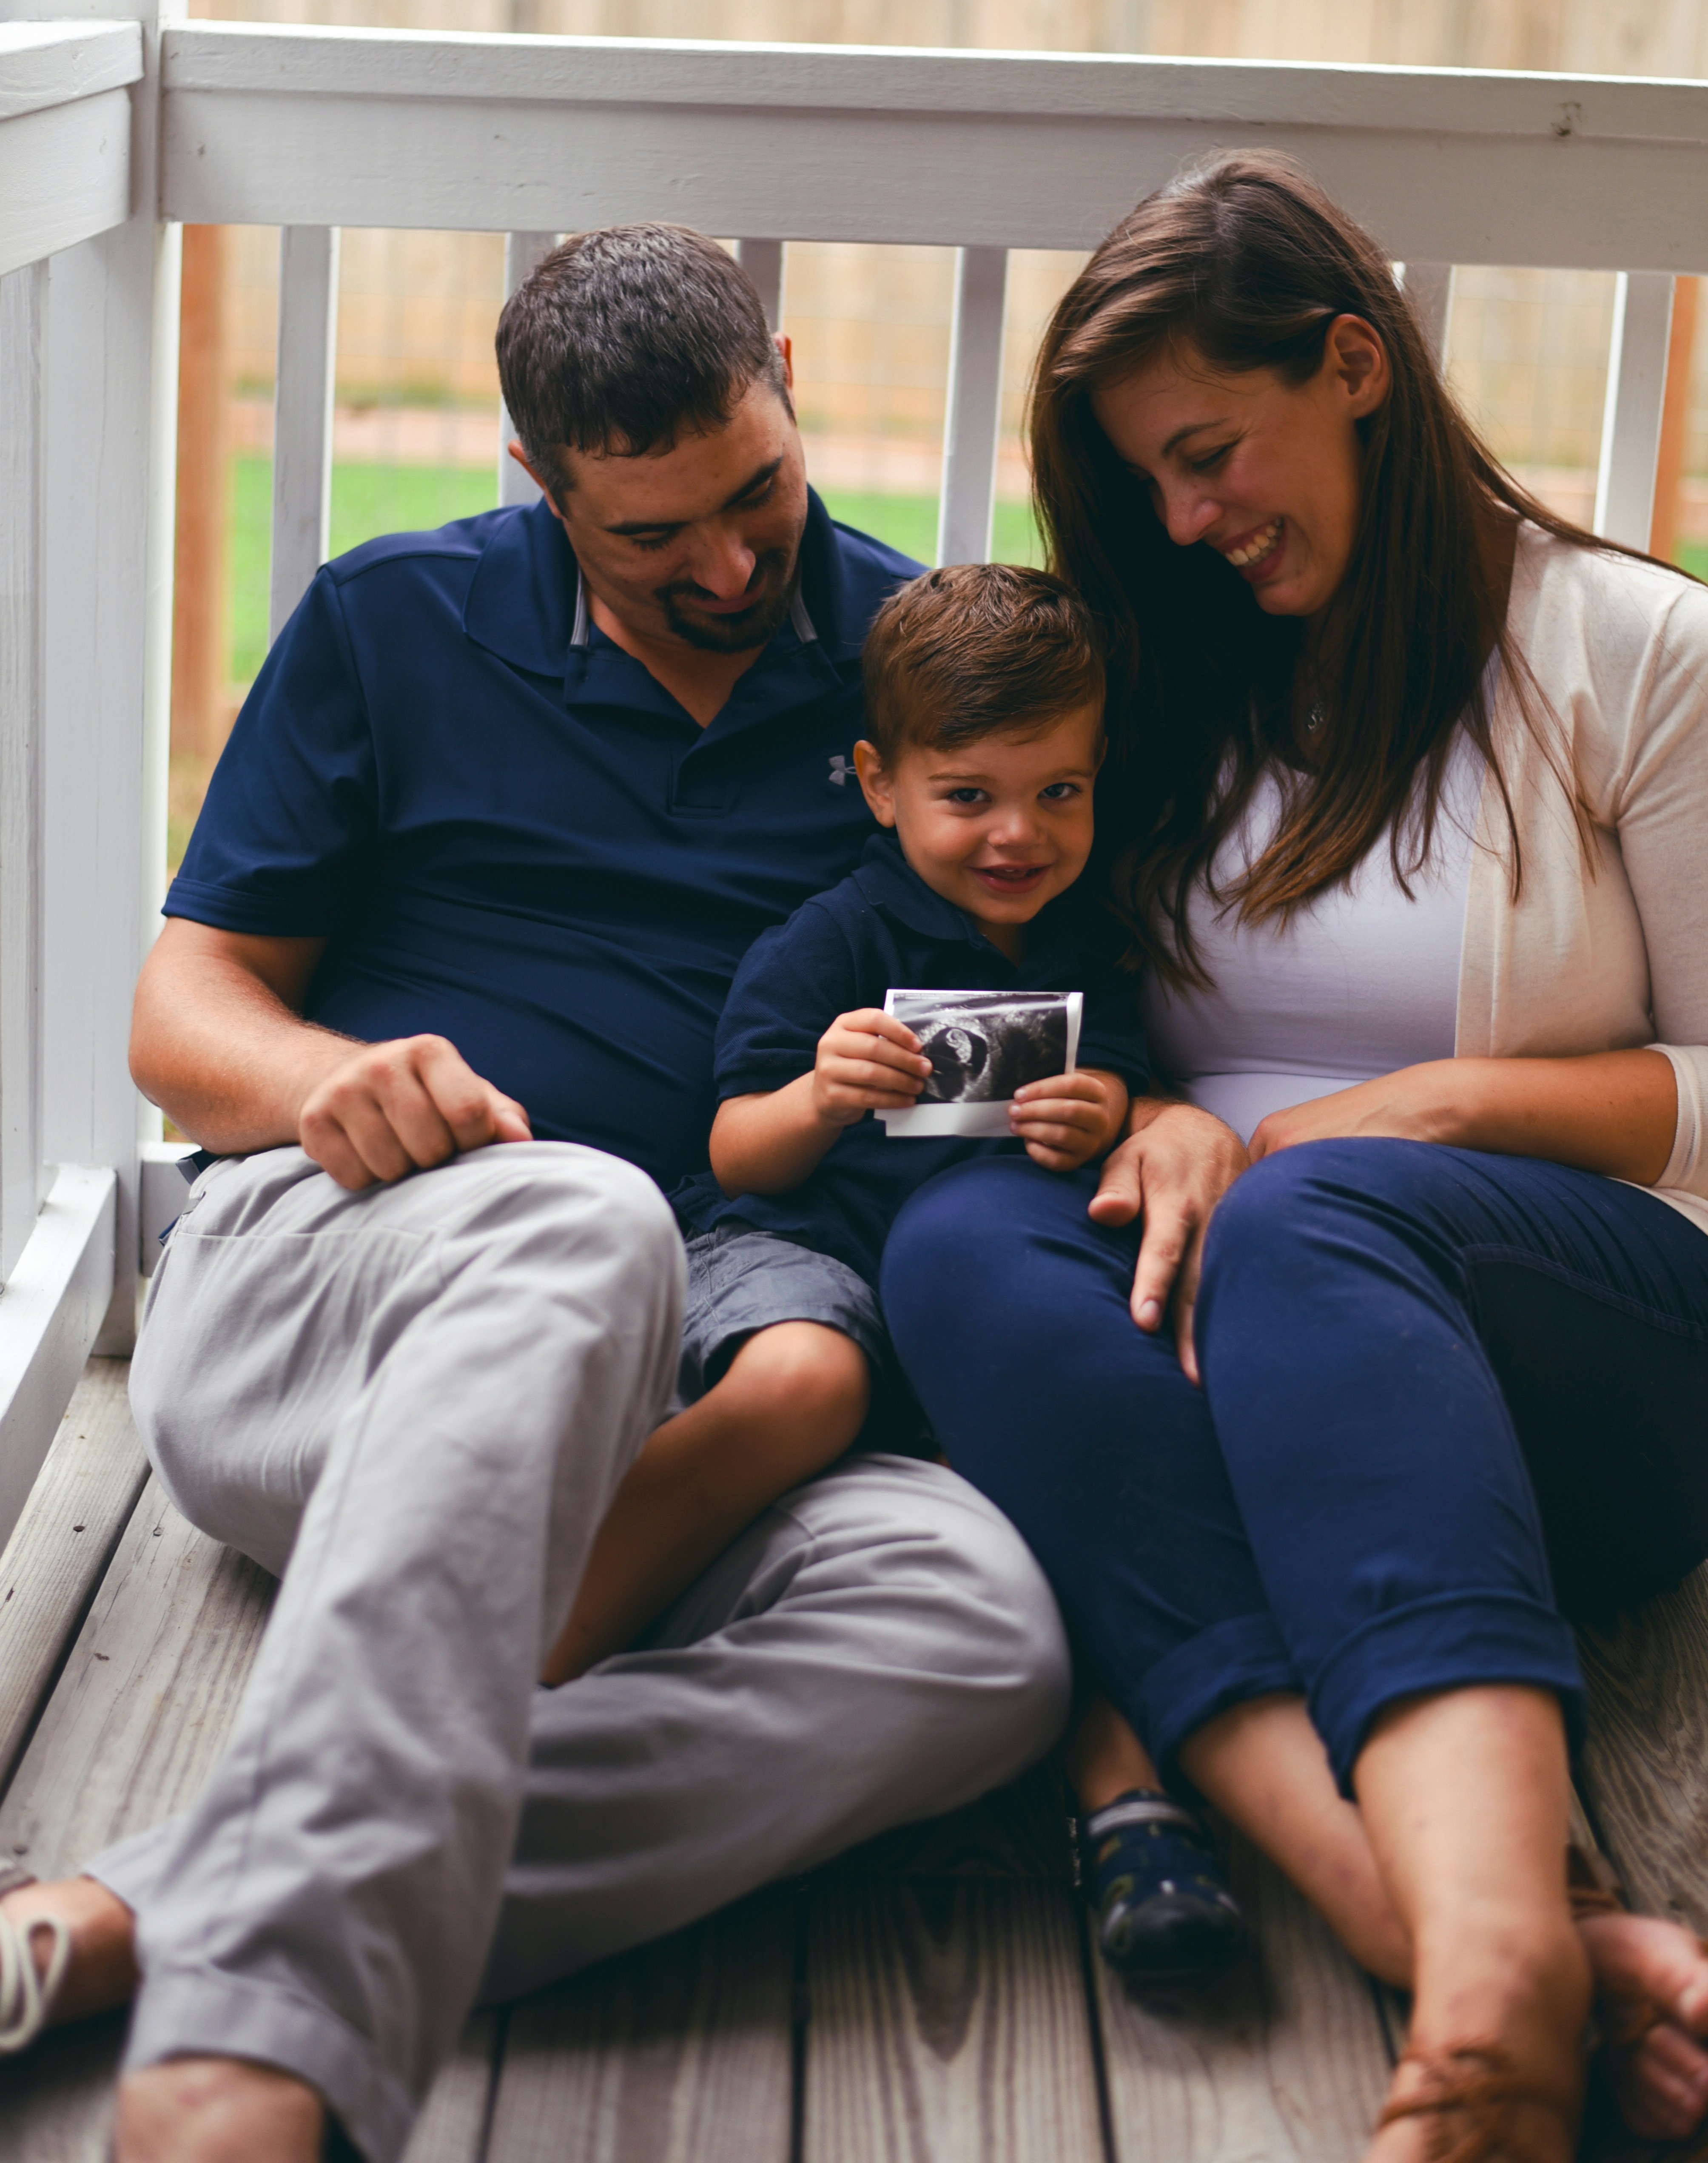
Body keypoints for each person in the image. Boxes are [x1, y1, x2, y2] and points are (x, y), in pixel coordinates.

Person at [0, 227, 1073, 2163]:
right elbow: (181, 1008)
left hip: (709, 1373)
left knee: (978, 1629)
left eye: (757, 492)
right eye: (654, 533)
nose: (734, 566)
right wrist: (332, 1079)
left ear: (793, 383)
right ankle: (262, 2053)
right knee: (586, 1215)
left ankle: (159, 1915)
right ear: (541, 487)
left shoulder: (917, 675)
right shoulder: (389, 621)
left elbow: (1043, 1001)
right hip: (355, 1303)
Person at [881, 153, 1708, 2161]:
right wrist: (1168, 1122)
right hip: (1223, 1344)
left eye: (1207, 451)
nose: (1181, 520)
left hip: (1573, 1343)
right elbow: (1117, 1027)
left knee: (1320, 1215)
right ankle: (1467, 1936)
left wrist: (1398, 1114)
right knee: (958, 1240)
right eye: (1144, 480)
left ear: (1351, 364)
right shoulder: (1156, 683)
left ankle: (1491, 1995)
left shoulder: (1628, 651)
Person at [557, 561, 1244, 1979]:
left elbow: (1125, 1080)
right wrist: (819, 1095)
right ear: (880, 784)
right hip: (802, 1251)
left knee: (1066, 1499)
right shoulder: (838, 942)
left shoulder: (1091, 947)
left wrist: (1107, 1108)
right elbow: (736, 1152)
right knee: (804, 1377)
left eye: (1058, 792)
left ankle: (1131, 1815)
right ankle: (535, 1645)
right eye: (971, 794)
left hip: (985, 1307)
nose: (1018, 833)